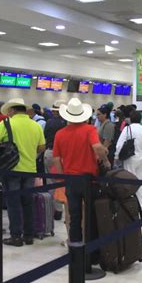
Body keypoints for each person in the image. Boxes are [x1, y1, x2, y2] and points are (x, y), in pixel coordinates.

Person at [52, 98, 110, 244]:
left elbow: (56, 159)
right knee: (90, 214)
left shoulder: (60, 134)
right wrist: (105, 160)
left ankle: (75, 246)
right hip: (88, 178)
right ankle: (90, 247)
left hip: (70, 179)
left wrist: (62, 178)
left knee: (74, 215)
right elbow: (97, 147)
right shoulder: (90, 129)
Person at [0, 98, 46, 247]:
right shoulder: (35, 125)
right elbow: (42, 148)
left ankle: (16, 236)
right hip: (30, 169)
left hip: (11, 169)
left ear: (13, 110)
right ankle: (29, 235)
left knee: (13, 203)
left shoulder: (6, 124)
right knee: (28, 202)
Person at [115, 111, 142, 209]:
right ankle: (140, 206)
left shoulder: (127, 128)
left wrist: (116, 156)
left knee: (129, 182)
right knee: (141, 181)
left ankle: (129, 204)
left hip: (130, 158)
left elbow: (119, 144)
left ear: (130, 118)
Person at [43, 100, 67, 221]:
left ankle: (53, 209)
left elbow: (45, 136)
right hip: (65, 155)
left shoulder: (49, 122)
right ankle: (61, 208)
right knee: (62, 182)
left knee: (51, 182)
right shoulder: (67, 124)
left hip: (51, 152)